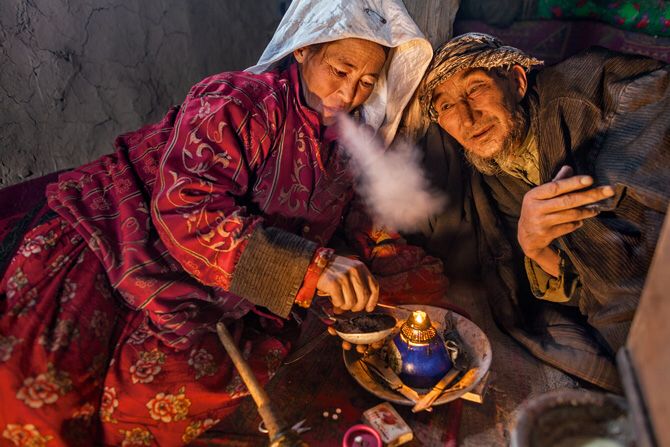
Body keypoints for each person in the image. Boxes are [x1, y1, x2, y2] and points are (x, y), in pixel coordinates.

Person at [0, 1, 446, 445]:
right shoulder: (241, 101)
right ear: (305, 50)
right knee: (41, 384)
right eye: (340, 69)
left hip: (213, 279)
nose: (349, 94)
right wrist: (310, 268)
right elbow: (186, 207)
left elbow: (359, 219)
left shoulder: (350, 143)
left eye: (368, 82)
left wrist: (382, 254)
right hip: (119, 229)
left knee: (187, 379)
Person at [412, 32, 669, 392]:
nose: (468, 120)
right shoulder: (495, 176)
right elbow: (578, 285)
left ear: (517, 81)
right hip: (625, 331)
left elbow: (653, 102)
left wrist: (596, 188)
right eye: (447, 107)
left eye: (475, 90)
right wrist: (534, 245)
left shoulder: (589, 91)